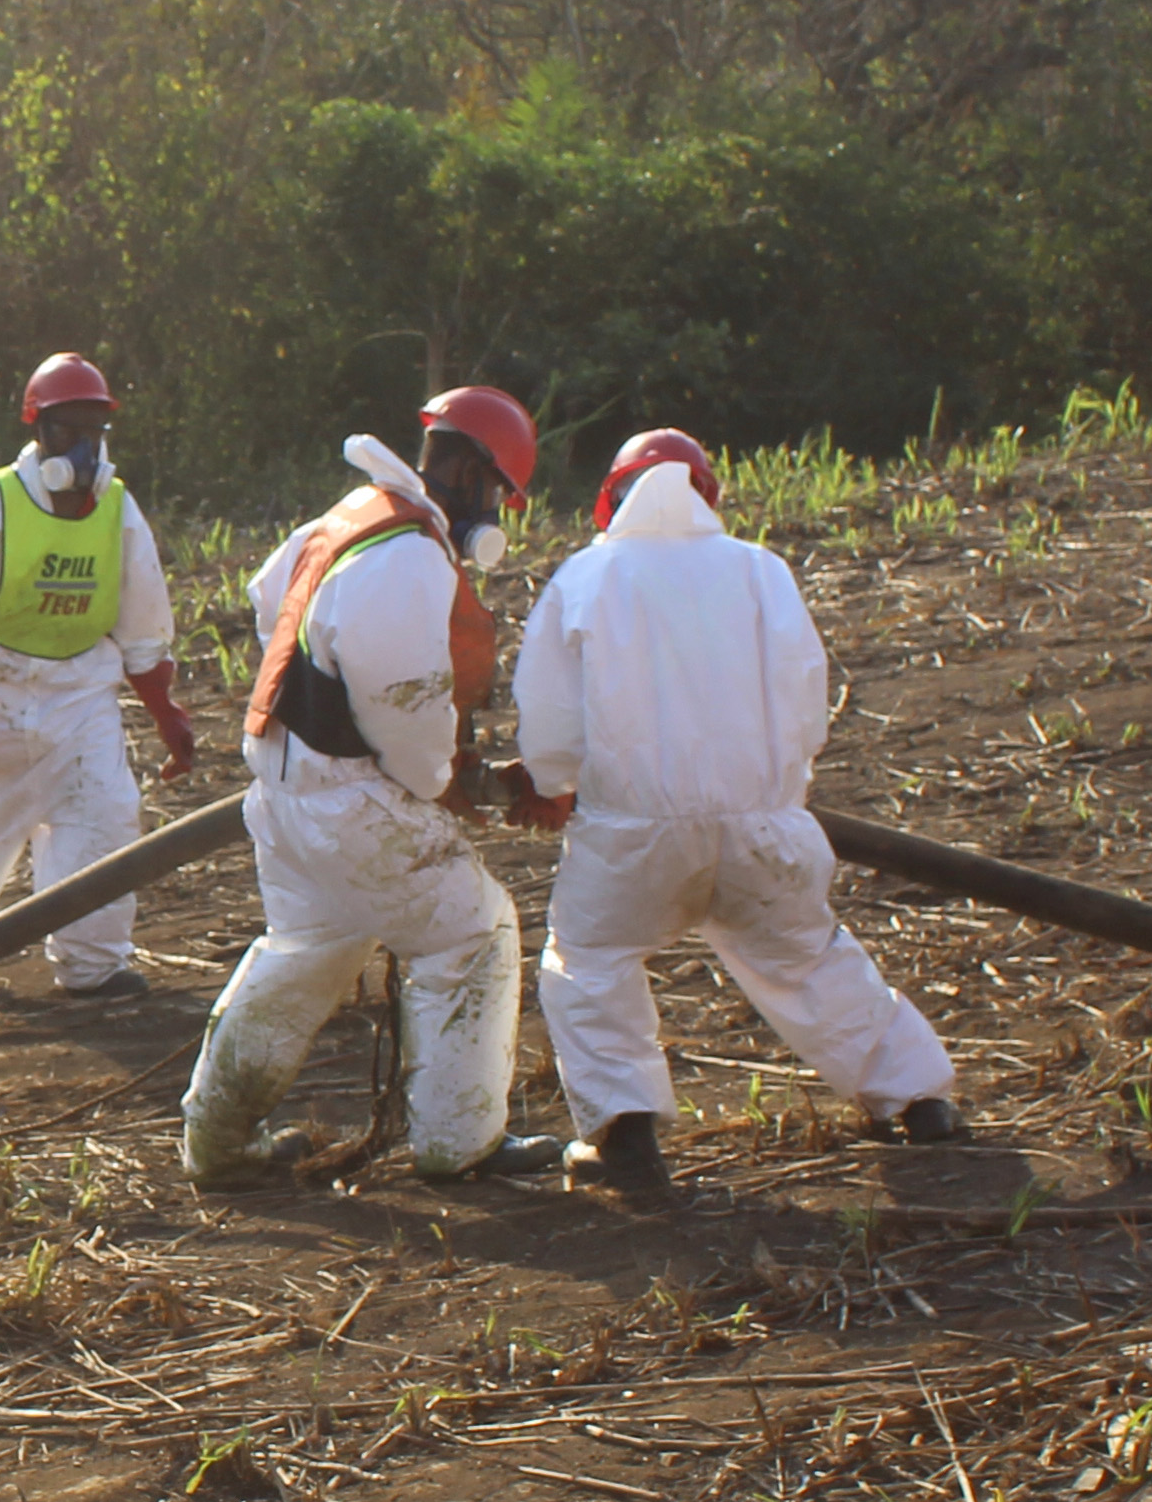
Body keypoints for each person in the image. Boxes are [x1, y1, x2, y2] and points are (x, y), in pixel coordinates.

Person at [507, 428, 965, 1195]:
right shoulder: (760, 570)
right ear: (707, 495)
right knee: (809, 958)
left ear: (611, 500)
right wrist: (778, 793)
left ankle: (625, 1138)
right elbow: (805, 697)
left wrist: (554, 783)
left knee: (590, 960)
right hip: (763, 824)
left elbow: (550, 717)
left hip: (631, 834)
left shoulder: (585, 576)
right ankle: (921, 1102)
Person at [178, 390, 559, 1187]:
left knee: (304, 955)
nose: (494, 513)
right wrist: (444, 781)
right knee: (475, 932)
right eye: (497, 493)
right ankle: (459, 1144)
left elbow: (268, 601)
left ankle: (215, 1143)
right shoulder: (410, 554)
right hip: (351, 799)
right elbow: (405, 710)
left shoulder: (356, 514)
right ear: (470, 472)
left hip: (286, 788)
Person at [0, 353, 196, 1000]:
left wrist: (166, 714)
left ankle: (93, 968)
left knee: (104, 828)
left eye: (94, 430)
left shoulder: (116, 509)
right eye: (67, 430)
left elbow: (143, 628)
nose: (82, 447)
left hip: (84, 701)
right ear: (38, 429)